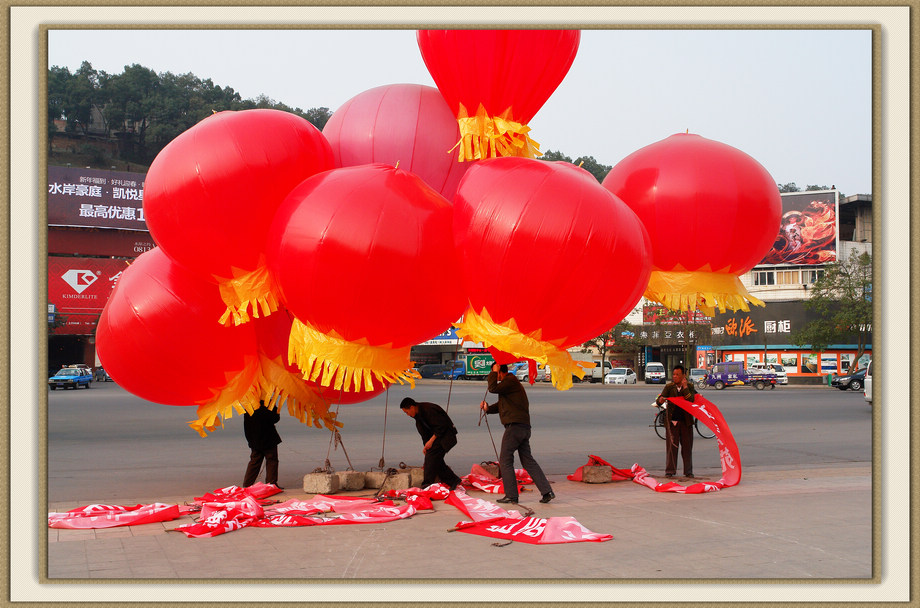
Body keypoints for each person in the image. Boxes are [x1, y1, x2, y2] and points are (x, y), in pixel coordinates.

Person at [480, 363, 555, 504]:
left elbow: (492, 388)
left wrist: (493, 372)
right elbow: (502, 405)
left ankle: (511, 495)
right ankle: (547, 492)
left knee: (505, 460)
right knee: (528, 461)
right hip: (523, 428)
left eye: (495, 373)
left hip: (514, 428)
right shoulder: (510, 384)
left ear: (499, 372)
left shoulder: (509, 380)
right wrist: (488, 408)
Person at [399, 397, 463, 490]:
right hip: (436, 438)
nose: (407, 415)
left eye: (406, 412)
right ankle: (453, 480)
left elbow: (441, 427)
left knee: (430, 459)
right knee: (436, 460)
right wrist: (426, 446)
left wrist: (431, 441)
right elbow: (425, 435)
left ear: (412, 407)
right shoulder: (418, 417)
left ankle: (427, 485)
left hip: (446, 436)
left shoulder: (429, 409)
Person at [656, 364, 697, 478]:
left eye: (677, 374)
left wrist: (685, 388)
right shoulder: (669, 387)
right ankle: (670, 471)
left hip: (686, 422)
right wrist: (660, 400)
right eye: (673, 374)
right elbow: (659, 400)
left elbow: (691, 400)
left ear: (684, 375)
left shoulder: (689, 386)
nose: (675, 377)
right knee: (671, 448)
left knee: (687, 448)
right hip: (672, 422)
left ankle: (688, 471)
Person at [242, 401, 282, 488]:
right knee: (272, 460)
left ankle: (247, 484)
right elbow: (275, 418)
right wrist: (275, 407)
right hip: (268, 437)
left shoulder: (249, 403)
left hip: (255, 438)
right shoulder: (268, 403)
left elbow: (246, 423)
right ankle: (271, 483)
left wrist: (250, 439)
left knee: (255, 461)